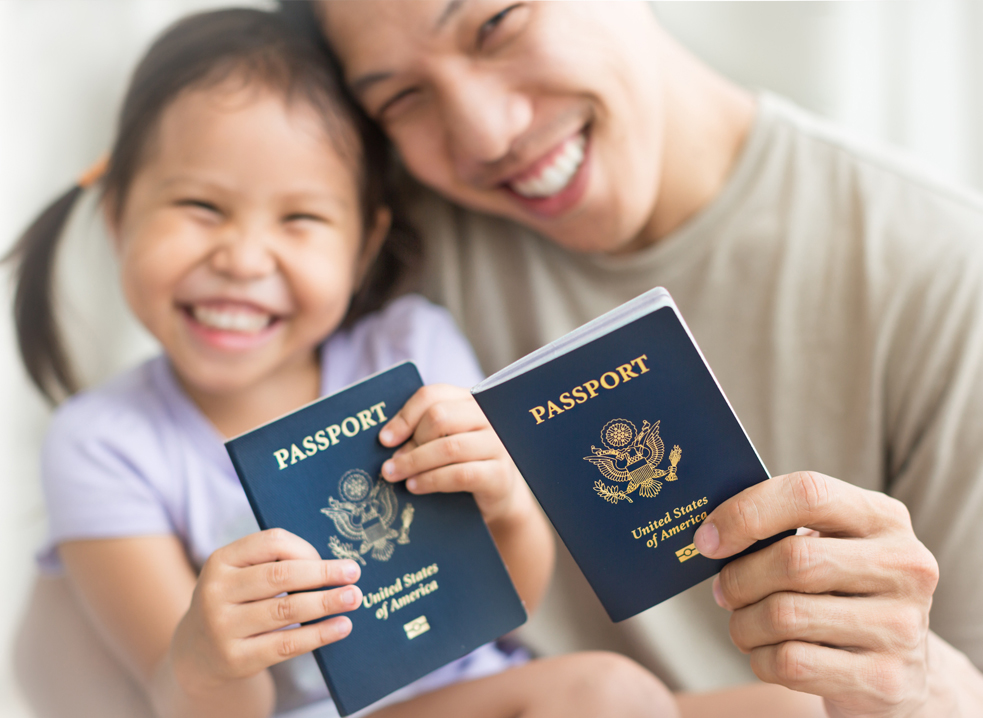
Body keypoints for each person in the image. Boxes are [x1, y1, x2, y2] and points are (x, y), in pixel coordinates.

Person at [312, 1, 983, 716]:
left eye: (495, 23)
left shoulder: (941, 273)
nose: (488, 133)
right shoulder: (365, 245)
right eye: (401, 98)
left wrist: (914, 679)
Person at [8, 8, 678, 718]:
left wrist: (506, 503)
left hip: (482, 687)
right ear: (117, 217)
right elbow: (188, 702)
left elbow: (507, 608)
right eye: (201, 206)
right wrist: (204, 655)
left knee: (783, 706)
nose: (241, 259)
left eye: (300, 220)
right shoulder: (103, 443)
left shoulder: (409, 350)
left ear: (362, 248)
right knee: (609, 695)